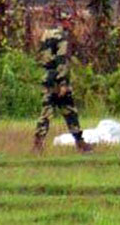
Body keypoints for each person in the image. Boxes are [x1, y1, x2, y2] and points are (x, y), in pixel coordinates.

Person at [33, 11, 93, 153]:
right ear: (64, 21)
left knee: (61, 111)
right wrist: (63, 83)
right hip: (58, 79)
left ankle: (79, 142)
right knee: (61, 112)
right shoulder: (62, 37)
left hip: (48, 75)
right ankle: (79, 143)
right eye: (70, 21)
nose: (71, 24)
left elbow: (41, 56)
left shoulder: (46, 34)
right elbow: (62, 60)